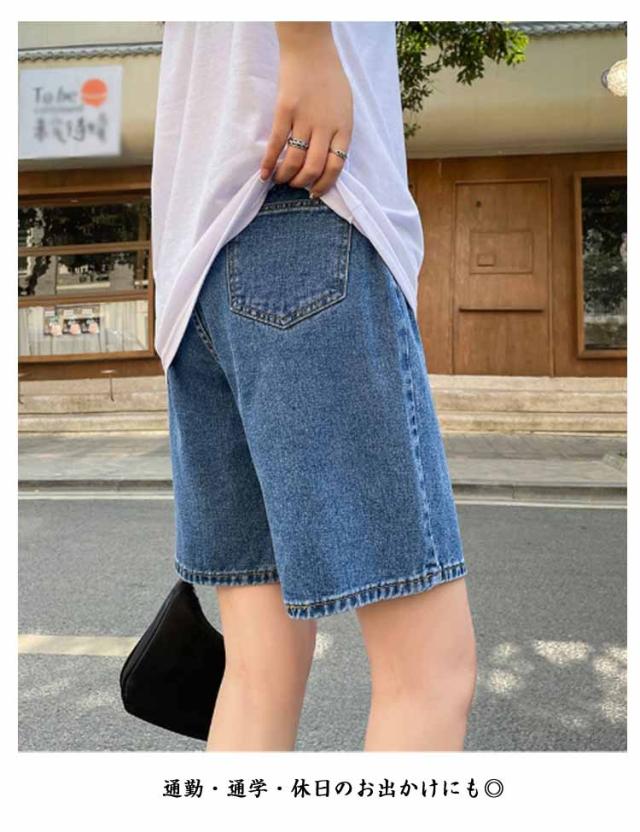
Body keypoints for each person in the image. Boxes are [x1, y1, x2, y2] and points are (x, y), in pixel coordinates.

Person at [151, 21, 477, 752]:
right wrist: (307, 45)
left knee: (258, 672)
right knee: (429, 673)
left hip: (195, 274)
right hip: (307, 210)